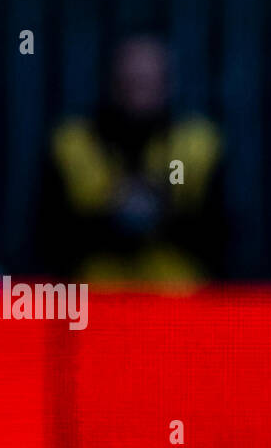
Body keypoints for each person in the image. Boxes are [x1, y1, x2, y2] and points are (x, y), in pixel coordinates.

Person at [36, 34, 227, 284]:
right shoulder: (72, 142)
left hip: (179, 308)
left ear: (168, 82)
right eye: (130, 80)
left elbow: (223, 236)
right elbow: (47, 237)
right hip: (94, 306)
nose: (138, 92)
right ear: (112, 81)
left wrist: (161, 213)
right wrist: (110, 216)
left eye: (148, 81)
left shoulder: (199, 143)